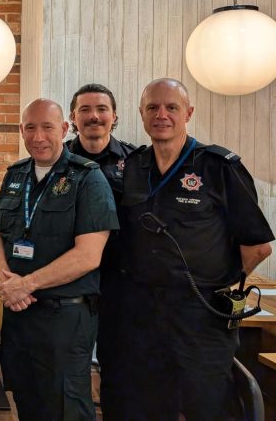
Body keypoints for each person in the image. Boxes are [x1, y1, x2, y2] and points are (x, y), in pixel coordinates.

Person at [117, 78, 274, 421]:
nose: (161, 115)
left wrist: (214, 281)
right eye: (153, 107)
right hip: (143, 313)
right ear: (141, 113)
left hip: (201, 313)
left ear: (188, 113)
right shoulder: (133, 167)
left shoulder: (219, 166)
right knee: (149, 405)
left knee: (206, 405)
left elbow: (258, 247)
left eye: (171, 107)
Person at [0, 98, 117, 421]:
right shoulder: (16, 175)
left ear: (63, 129)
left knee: (65, 407)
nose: (38, 136)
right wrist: (7, 281)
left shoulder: (88, 178)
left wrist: (26, 284)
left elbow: (89, 255)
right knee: (26, 400)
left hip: (65, 318)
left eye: (47, 127)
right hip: (20, 315)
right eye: (30, 128)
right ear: (21, 130)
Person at [66, 83, 135, 421]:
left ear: (114, 116)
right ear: (73, 118)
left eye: (102, 109)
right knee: (68, 370)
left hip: (120, 284)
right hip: (71, 283)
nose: (94, 116)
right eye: (85, 110)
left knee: (121, 372)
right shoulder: (57, 160)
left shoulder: (136, 162)